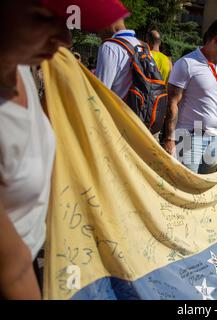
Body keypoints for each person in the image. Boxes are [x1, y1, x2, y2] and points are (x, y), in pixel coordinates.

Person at [0, 0, 128, 300]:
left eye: (67, 19)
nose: (66, 38)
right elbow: (12, 269)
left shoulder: (21, 65)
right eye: (43, 18)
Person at [162, 18, 217, 174]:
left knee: (205, 190)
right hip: (190, 137)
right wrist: (170, 138)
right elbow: (172, 102)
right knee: (186, 187)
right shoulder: (187, 63)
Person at [95, 19, 141, 100]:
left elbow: (100, 92)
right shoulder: (143, 46)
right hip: (139, 111)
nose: (98, 33)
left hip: (117, 111)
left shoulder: (109, 46)